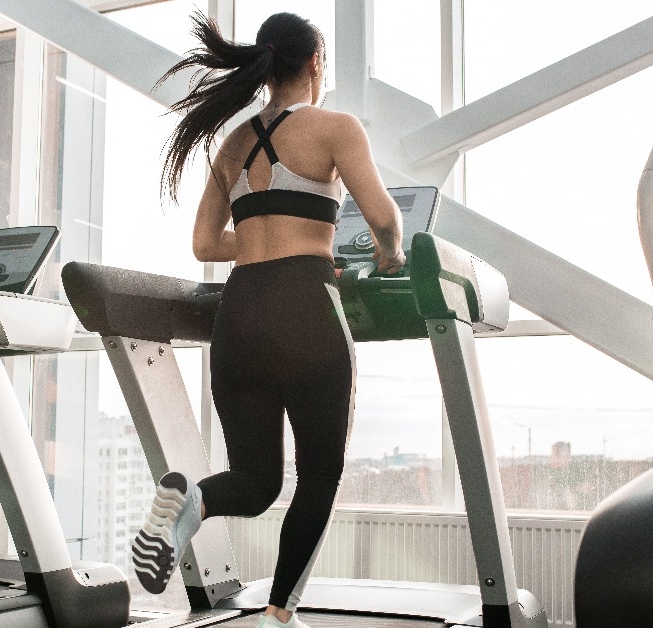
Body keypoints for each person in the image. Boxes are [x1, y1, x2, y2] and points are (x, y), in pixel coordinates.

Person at [131, 11, 405, 628]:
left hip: (240, 314)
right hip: (306, 307)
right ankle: (279, 614)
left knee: (255, 482)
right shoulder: (336, 127)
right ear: (315, 63)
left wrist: (262, 238)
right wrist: (388, 254)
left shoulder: (232, 143)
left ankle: (191, 499)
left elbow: (204, 244)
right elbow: (384, 216)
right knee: (319, 475)